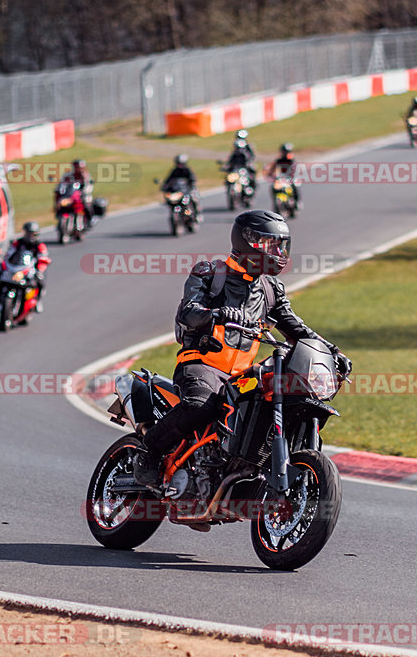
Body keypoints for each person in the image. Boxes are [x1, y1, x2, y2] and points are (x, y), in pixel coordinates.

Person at [132, 209, 351, 489]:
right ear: (249, 240)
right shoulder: (210, 273)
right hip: (202, 363)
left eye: (282, 245)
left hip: (241, 374)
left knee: (267, 403)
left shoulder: (271, 289)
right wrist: (218, 314)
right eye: (273, 245)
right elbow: (188, 312)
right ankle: (148, 453)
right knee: (200, 406)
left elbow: (296, 328)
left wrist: (332, 351)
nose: (279, 252)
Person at [5, 221, 50, 312]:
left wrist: (40, 269)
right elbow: (9, 253)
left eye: (32, 234)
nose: (30, 236)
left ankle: (38, 300)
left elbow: (43, 258)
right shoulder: (18, 243)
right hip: (19, 268)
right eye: (28, 233)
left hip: (33, 269)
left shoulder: (40, 245)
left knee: (40, 280)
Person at [265, 143, 301, 212]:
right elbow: (273, 168)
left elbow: (294, 168)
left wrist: (291, 175)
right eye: (284, 151)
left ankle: (297, 202)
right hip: (282, 178)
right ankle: (275, 202)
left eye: (286, 152)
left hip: (290, 178)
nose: (285, 153)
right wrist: (271, 173)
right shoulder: (279, 160)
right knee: (273, 187)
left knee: (295, 186)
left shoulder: (291, 160)